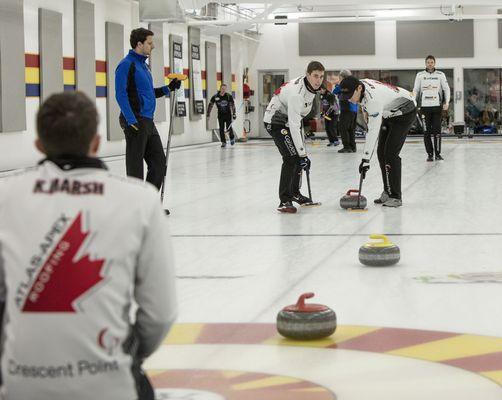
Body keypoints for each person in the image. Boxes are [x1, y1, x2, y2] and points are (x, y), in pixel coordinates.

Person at [0, 91, 177, 400]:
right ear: (96, 143)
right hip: (109, 383)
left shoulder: (6, 195)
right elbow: (160, 314)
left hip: (20, 382)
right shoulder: (140, 200)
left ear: (39, 145)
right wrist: (128, 355)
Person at [115, 27, 181, 191]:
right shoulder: (126, 65)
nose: (153, 46)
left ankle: (148, 204)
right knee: (135, 169)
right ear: (139, 44)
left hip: (147, 121)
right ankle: (137, 209)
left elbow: (148, 93)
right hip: (135, 120)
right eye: (149, 43)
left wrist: (168, 88)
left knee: (159, 164)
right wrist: (131, 121)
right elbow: (120, 94)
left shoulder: (144, 67)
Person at [340, 76, 417, 207]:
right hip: (389, 113)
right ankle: (387, 191)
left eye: (350, 95)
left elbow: (372, 132)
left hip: (405, 111)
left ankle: (396, 196)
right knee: (381, 152)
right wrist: (364, 109)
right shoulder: (361, 85)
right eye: (345, 95)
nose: (349, 99)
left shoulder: (373, 100)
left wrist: (365, 160)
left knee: (391, 154)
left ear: (358, 88)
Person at [263, 61, 325, 213]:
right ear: (308, 74)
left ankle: (295, 193)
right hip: (276, 122)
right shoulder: (297, 93)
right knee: (291, 158)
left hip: (289, 121)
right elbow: (294, 124)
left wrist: (303, 153)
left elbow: (298, 121)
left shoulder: (310, 89)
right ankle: (284, 200)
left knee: (299, 156)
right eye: (315, 76)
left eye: (321, 76)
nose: (318, 80)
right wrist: (302, 154)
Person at [413, 55, 450, 161]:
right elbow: (416, 90)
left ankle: (438, 154)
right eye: (428, 62)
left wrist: (446, 102)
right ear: (425, 63)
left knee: (437, 132)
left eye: (432, 62)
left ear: (434, 63)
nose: (430, 64)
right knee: (426, 132)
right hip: (424, 108)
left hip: (437, 108)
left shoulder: (440, 75)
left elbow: (446, 89)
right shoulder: (420, 75)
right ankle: (430, 154)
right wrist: (414, 102)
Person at [334, 69, 358, 153]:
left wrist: (339, 87)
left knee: (343, 128)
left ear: (342, 77)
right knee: (351, 129)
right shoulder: (354, 84)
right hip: (354, 109)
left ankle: (346, 147)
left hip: (346, 109)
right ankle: (353, 147)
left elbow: (335, 91)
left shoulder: (344, 83)